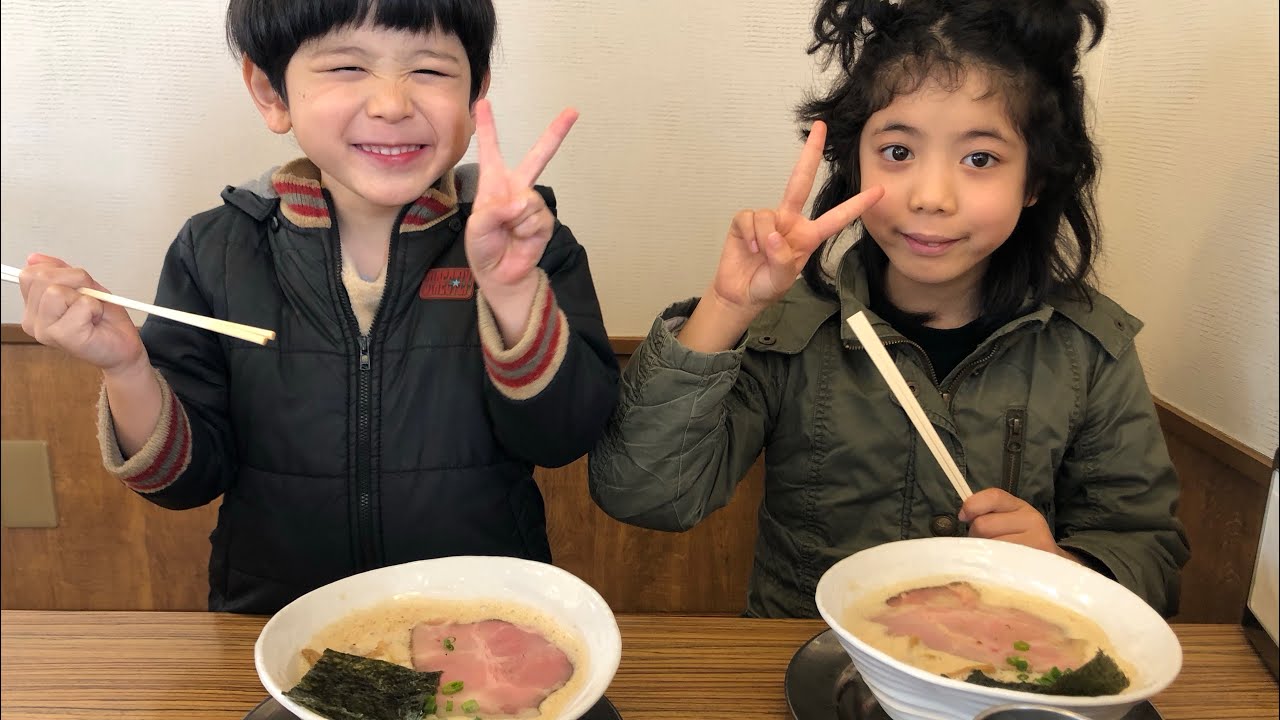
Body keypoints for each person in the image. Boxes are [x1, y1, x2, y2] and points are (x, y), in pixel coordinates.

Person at [589, 0, 1189, 619]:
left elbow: (1148, 553)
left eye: (980, 159)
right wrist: (726, 307)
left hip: (996, 680)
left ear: (1034, 179)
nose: (931, 197)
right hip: (812, 668)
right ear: (856, 163)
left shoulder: (1089, 348)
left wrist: (1061, 571)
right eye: (898, 152)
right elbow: (643, 496)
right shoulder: (788, 328)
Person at [16, 0, 618, 613]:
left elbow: (562, 438)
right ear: (270, 91)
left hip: (485, 621)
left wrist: (512, 293)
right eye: (345, 68)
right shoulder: (215, 250)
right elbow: (183, 482)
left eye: (431, 71)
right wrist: (125, 369)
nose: (391, 103)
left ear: (476, 91)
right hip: (276, 622)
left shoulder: (533, 245)